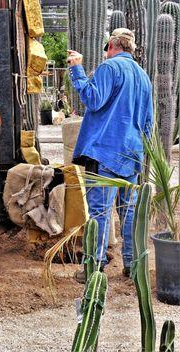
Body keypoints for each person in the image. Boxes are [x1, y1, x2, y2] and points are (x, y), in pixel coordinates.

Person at [67, 28, 153, 281]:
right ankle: (132, 265)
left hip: (105, 151)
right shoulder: (143, 76)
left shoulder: (110, 68)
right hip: (132, 154)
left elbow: (93, 100)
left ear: (113, 45)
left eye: (107, 47)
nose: (105, 52)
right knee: (128, 211)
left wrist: (77, 69)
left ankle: (94, 266)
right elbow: (148, 122)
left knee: (100, 211)